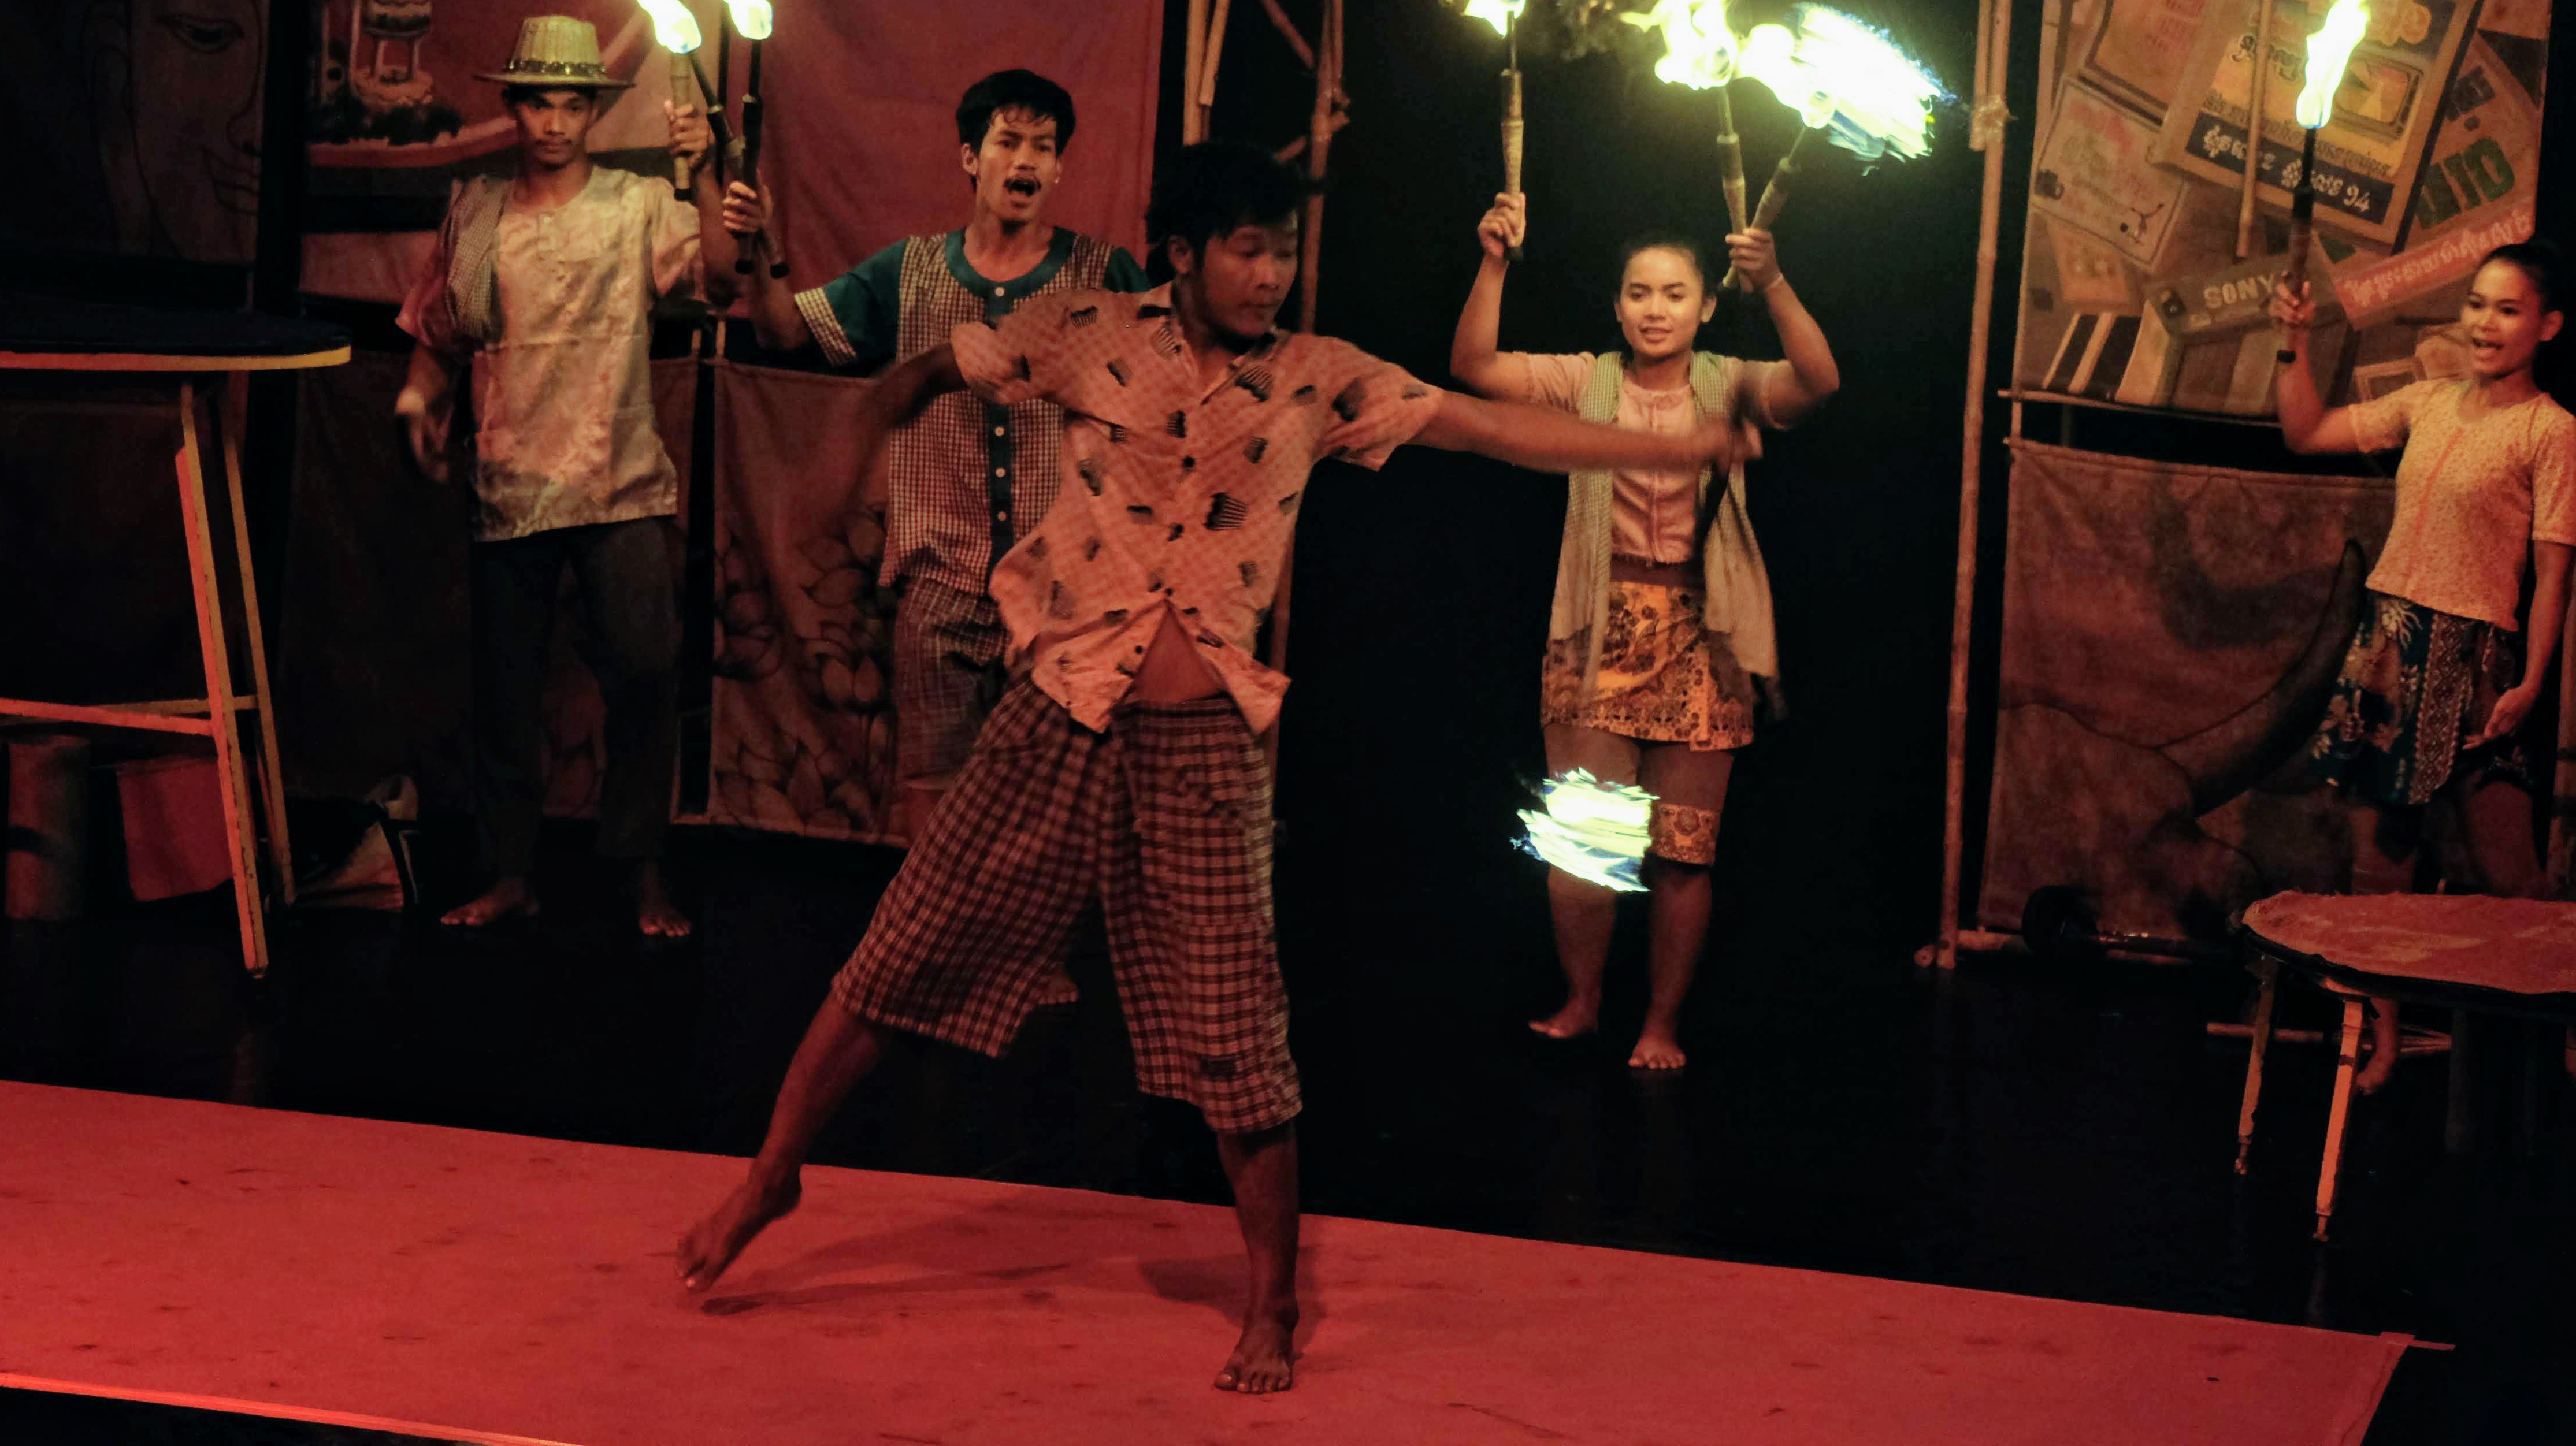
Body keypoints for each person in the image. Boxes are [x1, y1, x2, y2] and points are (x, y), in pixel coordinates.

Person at [676, 143, 1760, 1393]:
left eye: (1283, 250)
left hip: (1202, 749)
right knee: (899, 947)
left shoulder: (1314, 377)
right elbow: (931, 366)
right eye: (1247, 248)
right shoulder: (1081, 328)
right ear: (1184, 252)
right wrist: (860, 422)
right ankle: (771, 1174)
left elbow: (1485, 426)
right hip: (1058, 712)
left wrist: (1671, 452)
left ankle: (1274, 1298)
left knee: (1238, 1031)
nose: (1270, 272)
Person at [1450, 196, 1839, 1070]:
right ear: (1616, 305)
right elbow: (1472, 364)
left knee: (1682, 854)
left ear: (1704, 306)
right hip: (1596, 628)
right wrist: (1495, 261)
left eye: (1673, 294)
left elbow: (1818, 381)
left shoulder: (1728, 381)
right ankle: (1582, 1001)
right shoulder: (1585, 382)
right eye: (1637, 293)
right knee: (1584, 849)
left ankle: (1659, 1024)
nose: (1654, 309)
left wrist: (1771, 280)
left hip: (1703, 637)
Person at [725, 70, 1150, 844]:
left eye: (1044, 148)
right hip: (940, 587)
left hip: (1063, 592)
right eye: (1008, 142)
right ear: (969, 157)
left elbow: (1168, 391)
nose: (1025, 161)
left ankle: (1022, 960)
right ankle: (935, 958)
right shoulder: (910, 271)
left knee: (1052, 813)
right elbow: (787, 331)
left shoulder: (1104, 276)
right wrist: (763, 245)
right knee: (934, 805)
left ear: (1059, 169)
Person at [393, 14, 740, 938]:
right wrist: (416, 403)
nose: (554, 121)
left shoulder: (635, 206)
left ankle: (641, 870)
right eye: (539, 102)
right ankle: (511, 873)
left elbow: (723, 275)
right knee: (504, 689)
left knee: (644, 673)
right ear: (514, 109)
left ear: (594, 112)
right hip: (509, 482)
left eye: (572, 104)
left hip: (616, 479)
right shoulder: (474, 209)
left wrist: (702, 172)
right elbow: (439, 332)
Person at [2273, 244, 2576, 1091]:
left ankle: (2558, 1027)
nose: (2483, 322)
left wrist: (2531, 682)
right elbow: (2303, 432)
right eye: (2476, 304)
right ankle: (2382, 1040)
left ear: (2545, 326)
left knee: (2510, 874)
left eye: (2507, 309)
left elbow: (2554, 573)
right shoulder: (2427, 403)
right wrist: (2291, 342)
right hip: (2389, 645)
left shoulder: (2550, 431)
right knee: (2380, 867)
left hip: (2476, 657)